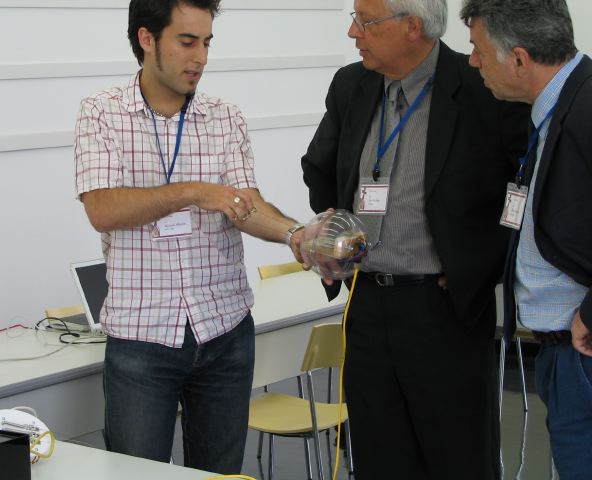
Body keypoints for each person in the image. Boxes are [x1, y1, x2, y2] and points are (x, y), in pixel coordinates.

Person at [73, 0, 305, 473]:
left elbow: (245, 205)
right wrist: (194, 192)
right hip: (142, 337)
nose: (200, 57)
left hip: (224, 331)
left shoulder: (225, 117)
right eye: (186, 42)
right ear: (146, 39)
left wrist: (296, 234)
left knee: (219, 473)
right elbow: (102, 208)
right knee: (139, 474)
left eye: (207, 43)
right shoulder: (101, 113)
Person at [300, 0, 529, 478]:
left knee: (456, 459)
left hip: (443, 310)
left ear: (412, 26)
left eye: (365, 21)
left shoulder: (480, 85)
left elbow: (523, 188)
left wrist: (479, 267)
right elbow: (319, 165)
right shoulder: (351, 85)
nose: (352, 32)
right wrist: (334, 229)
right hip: (367, 305)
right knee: (379, 458)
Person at [461, 1, 592, 478]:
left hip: (582, 351)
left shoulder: (585, 109)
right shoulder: (557, 110)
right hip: (563, 352)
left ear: (518, 58)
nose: (472, 61)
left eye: (478, 50)